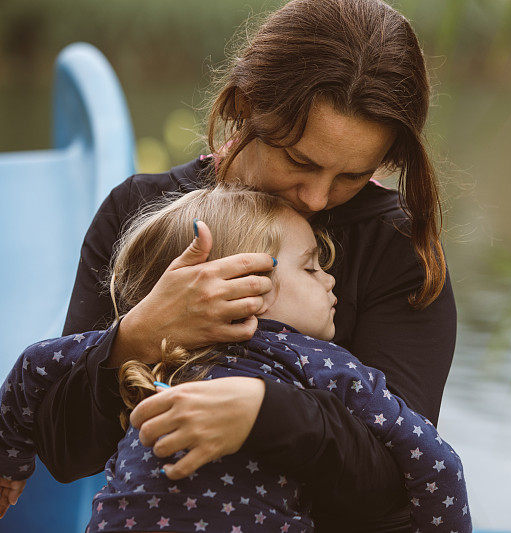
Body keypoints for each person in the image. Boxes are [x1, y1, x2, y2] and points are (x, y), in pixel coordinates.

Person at [32, 0, 457, 530]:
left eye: (353, 175)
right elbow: (64, 452)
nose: (319, 198)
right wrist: (134, 339)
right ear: (244, 105)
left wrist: (267, 413)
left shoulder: (397, 252)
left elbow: (399, 485)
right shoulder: (142, 213)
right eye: (300, 161)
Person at [0, 185, 471, 532]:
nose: (330, 280)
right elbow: (434, 463)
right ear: (247, 286)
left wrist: (11, 461)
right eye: (311, 267)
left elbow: (32, 367)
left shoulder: (167, 354)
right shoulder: (320, 361)